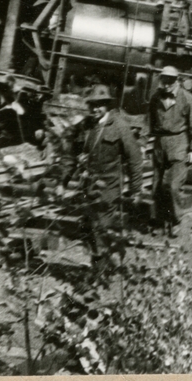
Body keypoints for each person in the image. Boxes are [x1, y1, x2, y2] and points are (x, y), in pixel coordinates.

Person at [64, 85, 145, 272]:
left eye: (99, 105)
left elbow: (135, 159)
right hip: (88, 186)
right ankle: (101, 263)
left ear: (107, 106)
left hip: (109, 187)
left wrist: (135, 190)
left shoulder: (120, 127)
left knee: (100, 226)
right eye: (92, 105)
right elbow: (70, 155)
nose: (95, 109)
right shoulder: (84, 126)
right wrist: (63, 182)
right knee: (88, 228)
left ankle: (99, 272)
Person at [149, 66, 192, 236]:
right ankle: (159, 221)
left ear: (177, 80)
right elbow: (148, 120)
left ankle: (175, 221)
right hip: (160, 144)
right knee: (157, 186)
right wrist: (145, 140)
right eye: (164, 80)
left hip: (179, 143)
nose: (166, 84)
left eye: (170, 81)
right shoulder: (156, 97)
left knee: (172, 186)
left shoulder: (187, 98)